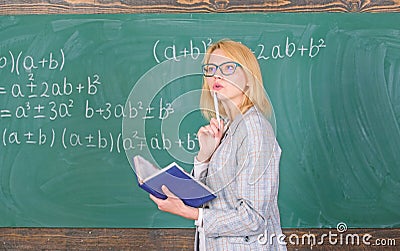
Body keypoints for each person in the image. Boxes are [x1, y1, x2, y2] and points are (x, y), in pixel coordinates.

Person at [150, 39, 286, 250]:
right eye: (211, 68)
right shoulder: (231, 128)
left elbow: (254, 219)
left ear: (249, 78)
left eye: (229, 67)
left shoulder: (255, 129)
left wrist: (192, 214)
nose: (217, 74)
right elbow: (207, 198)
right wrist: (205, 156)